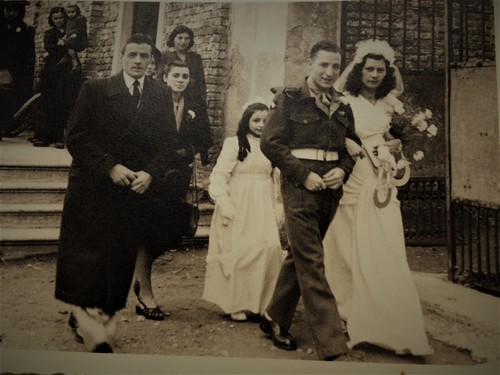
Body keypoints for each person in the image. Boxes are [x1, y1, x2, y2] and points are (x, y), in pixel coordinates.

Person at [54, 33, 182, 353]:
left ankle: (103, 314)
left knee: (119, 256)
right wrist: (110, 167)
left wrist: (150, 173)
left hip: (133, 189)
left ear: (152, 61)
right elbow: (76, 137)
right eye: (133, 55)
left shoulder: (160, 94)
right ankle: (84, 314)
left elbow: (169, 143)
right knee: (89, 255)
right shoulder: (96, 90)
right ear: (122, 57)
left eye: (145, 56)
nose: (139, 61)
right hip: (92, 186)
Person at [323, 39, 434, 356]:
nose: (373, 75)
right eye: (369, 69)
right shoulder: (345, 100)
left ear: (388, 73)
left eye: (380, 70)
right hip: (354, 173)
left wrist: (397, 145)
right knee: (346, 243)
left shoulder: (392, 104)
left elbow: (396, 137)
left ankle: (393, 323)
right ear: (359, 71)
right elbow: (332, 132)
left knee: (384, 242)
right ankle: (348, 311)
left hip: (381, 176)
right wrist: (348, 142)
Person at [259, 40, 362, 361]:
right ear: (310, 64)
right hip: (300, 185)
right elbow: (271, 144)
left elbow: (353, 147)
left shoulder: (343, 106)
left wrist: (343, 170)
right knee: (313, 261)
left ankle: (274, 316)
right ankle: (332, 344)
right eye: (323, 65)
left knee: (301, 255)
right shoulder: (289, 100)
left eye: (335, 66)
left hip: (331, 187)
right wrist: (304, 175)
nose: (330, 72)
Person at [132, 60, 213, 321]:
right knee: (147, 233)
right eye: (175, 75)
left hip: (178, 176)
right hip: (152, 174)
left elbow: (204, 138)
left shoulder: (194, 106)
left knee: (170, 233)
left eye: (185, 76)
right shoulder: (151, 100)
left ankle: (138, 276)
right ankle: (144, 292)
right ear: (164, 77)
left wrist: (189, 151)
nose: (180, 80)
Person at [202, 100, 284, 322]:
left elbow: (276, 177)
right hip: (239, 200)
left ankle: (260, 303)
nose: (260, 125)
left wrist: (278, 205)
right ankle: (235, 303)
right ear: (247, 120)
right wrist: (224, 201)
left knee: (269, 248)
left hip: (263, 201)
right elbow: (220, 174)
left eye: (265, 121)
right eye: (256, 120)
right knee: (240, 252)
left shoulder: (273, 144)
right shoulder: (234, 143)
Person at [34, 6, 83, 148]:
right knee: (48, 102)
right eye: (55, 18)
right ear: (51, 19)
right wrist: (66, 48)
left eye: (61, 17)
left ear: (66, 17)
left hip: (67, 72)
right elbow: (50, 48)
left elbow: (81, 45)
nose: (59, 21)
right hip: (52, 71)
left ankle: (59, 138)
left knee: (63, 102)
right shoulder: (49, 33)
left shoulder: (72, 31)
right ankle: (43, 137)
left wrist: (66, 45)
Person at [0, 0, 35, 139]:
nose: (11, 13)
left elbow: (27, 54)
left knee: (7, 100)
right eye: (8, 10)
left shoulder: (24, 29)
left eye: (15, 10)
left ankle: (3, 127)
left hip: (13, 72)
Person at [156, 25, 207, 104]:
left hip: (191, 98)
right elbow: (159, 79)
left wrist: (202, 100)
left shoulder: (195, 57)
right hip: (170, 97)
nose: (183, 42)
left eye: (187, 39)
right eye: (180, 38)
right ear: (173, 39)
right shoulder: (164, 55)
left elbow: (201, 82)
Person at [56, 2, 88, 73]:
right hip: (70, 38)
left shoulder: (80, 19)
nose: (71, 14)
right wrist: (66, 36)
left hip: (78, 40)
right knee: (69, 48)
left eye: (73, 12)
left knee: (65, 44)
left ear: (77, 11)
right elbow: (68, 30)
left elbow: (82, 28)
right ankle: (73, 63)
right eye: (69, 12)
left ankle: (72, 62)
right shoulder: (68, 20)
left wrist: (76, 34)